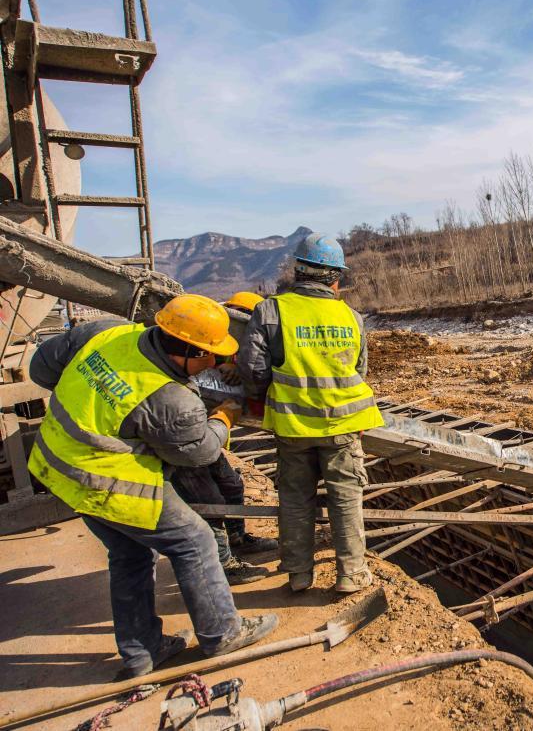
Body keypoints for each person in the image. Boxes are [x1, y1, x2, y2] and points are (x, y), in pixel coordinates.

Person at [27, 294, 278, 677]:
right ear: (186, 352)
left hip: (54, 465)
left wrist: (102, 403)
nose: (214, 363)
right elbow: (198, 454)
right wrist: (224, 419)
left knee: (129, 554)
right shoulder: (171, 399)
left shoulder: (107, 332)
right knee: (194, 541)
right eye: (209, 355)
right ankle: (222, 633)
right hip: (104, 478)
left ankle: (143, 652)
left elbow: (42, 369)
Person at [239, 234, 383, 594]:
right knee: (346, 497)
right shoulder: (351, 317)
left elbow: (253, 369)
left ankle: (299, 574)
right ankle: (351, 573)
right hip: (343, 426)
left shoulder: (270, 310)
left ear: (299, 272)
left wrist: (262, 400)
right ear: (336, 277)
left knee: (294, 498)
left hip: (292, 428)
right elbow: (359, 371)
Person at [168, 290, 276, 586]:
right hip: (182, 438)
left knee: (231, 484)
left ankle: (238, 539)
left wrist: (232, 367)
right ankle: (223, 564)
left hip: (206, 433)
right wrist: (224, 415)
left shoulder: (236, 346)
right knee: (208, 499)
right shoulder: (192, 349)